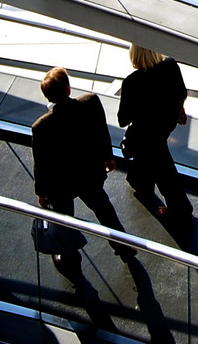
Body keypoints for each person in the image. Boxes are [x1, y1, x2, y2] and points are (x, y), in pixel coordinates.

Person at [32, 67, 134, 277]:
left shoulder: (41, 127)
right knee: (105, 210)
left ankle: (70, 260)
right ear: (68, 88)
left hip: (61, 185)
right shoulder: (91, 102)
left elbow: (41, 163)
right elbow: (101, 133)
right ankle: (124, 247)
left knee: (65, 220)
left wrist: (41, 191)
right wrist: (108, 156)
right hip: (89, 175)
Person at [117, 44, 191, 220]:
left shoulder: (131, 82)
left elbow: (123, 120)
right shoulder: (170, 65)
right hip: (166, 123)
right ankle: (139, 181)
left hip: (146, 134)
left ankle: (180, 209)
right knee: (151, 157)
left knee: (163, 168)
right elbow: (181, 92)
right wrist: (179, 109)